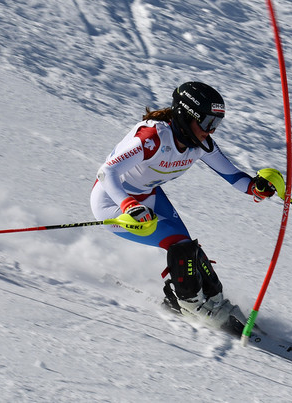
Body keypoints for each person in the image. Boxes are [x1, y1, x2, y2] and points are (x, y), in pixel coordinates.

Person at [90, 81, 279, 329]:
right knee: (180, 247)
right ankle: (190, 304)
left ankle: (215, 300)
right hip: (112, 203)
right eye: (207, 122)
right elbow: (107, 172)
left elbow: (233, 176)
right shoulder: (152, 138)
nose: (210, 131)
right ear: (185, 115)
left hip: (148, 196)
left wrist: (256, 187)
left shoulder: (200, 145)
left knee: (190, 251)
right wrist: (128, 205)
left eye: (216, 124)